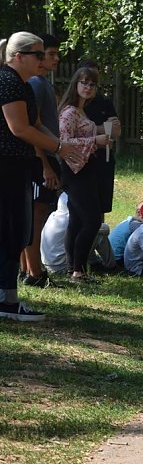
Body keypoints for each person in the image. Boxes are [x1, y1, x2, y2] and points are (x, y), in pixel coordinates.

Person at [0, 32, 81, 321]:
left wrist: (63, 149)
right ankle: (5, 300)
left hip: (18, 169)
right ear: (18, 56)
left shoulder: (24, 84)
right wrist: (59, 147)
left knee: (16, 230)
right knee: (9, 230)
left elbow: (36, 124)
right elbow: (19, 129)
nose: (43, 59)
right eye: (37, 54)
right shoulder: (8, 81)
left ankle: (8, 298)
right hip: (6, 168)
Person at [58, 67, 113, 284]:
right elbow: (62, 144)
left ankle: (73, 268)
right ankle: (78, 271)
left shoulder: (83, 111)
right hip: (74, 171)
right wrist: (95, 141)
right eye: (84, 82)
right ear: (76, 84)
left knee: (77, 220)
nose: (88, 87)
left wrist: (102, 138)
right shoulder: (69, 112)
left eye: (92, 84)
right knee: (91, 221)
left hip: (86, 167)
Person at [20, 33, 62, 287]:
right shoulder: (35, 83)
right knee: (36, 216)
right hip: (40, 160)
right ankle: (34, 273)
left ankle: (28, 269)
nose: (56, 59)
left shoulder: (43, 82)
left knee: (39, 213)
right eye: (50, 54)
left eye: (57, 54)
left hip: (49, 157)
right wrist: (44, 164)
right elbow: (30, 128)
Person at [78, 59, 121, 217]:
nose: (89, 86)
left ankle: (99, 238)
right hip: (81, 161)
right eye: (86, 81)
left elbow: (116, 131)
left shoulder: (104, 101)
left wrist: (106, 130)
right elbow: (74, 132)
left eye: (94, 80)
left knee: (101, 207)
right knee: (83, 211)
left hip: (104, 160)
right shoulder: (74, 105)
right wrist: (102, 129)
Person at [41, 192, 115, 274]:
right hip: (62, 266)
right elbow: (105, 229)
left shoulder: (53, 215)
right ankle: (111, 266)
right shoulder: (72, 220)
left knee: (85, 236)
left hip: (49, 264)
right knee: (99, 234)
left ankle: (93, 261)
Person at [107, 200, 143, 268]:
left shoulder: (129, 220)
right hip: (117, 260)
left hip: (109, 256)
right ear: (139, 212)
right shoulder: (137, 226)